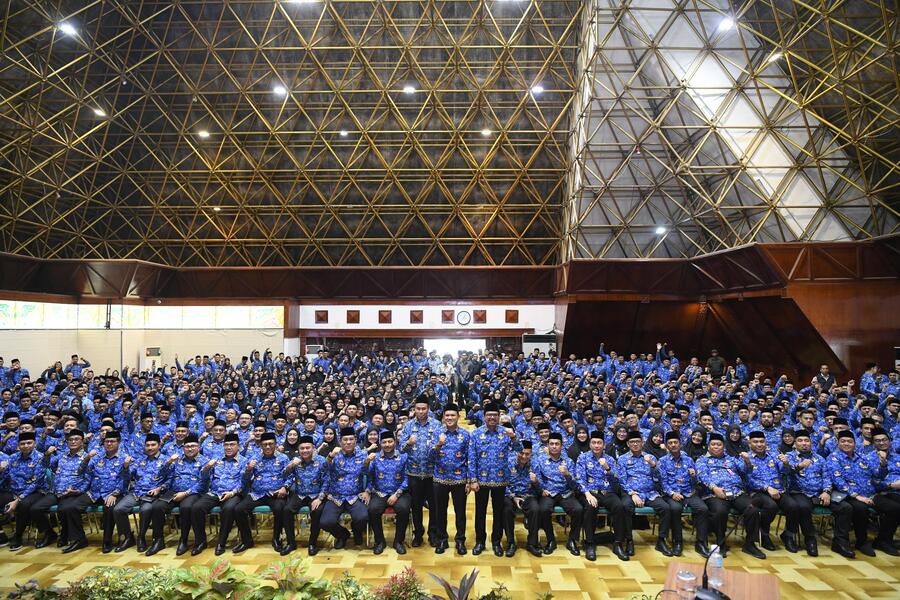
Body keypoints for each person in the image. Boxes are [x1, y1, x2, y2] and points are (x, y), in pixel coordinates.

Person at [695, 432, 765, 559]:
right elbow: (701, 476)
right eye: (713, 444)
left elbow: (745, 471)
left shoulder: (731, 459)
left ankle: (750, 544)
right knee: (720, 511)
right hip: (714, 493)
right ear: (709, 447)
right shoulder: (702, 460)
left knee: (752, 510)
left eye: (719, 444)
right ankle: (720, 542)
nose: (716, 447)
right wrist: (714, 488)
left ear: (724, 447)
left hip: (736, 492)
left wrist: (748, 461)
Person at [467, 402, 521, 557]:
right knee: (480, 512)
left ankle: (496, 542)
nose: (492, 417)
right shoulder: (476, 434)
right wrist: (473, 479)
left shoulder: (506, 432)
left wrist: (514, 437)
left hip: (500, 480)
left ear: (499, 417)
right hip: (481, 481)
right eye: (489, 415)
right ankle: (480, 541)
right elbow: (472, 458)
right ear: (484, 417)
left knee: (498, 512)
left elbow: (519, 450)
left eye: (495, 415)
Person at [827, 430, 888, 556]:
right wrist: (857, 496)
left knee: (892, 508)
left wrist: (883, 464)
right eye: (843, 441)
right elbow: (838, 482)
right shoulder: (833, 458)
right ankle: (858, 541)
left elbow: (877, 476)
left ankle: (884, 541)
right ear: (838, 443)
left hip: (869, 494)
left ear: (855, 444)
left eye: (850, 441)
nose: (846, 444)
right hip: (845, 495)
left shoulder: (862, 458)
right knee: (860, 508)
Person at [783, 430, 843, 556]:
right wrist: (799, 466)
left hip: (819, 493)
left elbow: (827, 477)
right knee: (803, 507)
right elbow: (786, 471)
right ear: (794, 444)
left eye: (807, 441)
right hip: (799, 492)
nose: (804, 443)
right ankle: (810, 539)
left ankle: (841, 542)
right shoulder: (788, 457)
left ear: (811, 443)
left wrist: (826, 491)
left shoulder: (819, 458)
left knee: (845, 507)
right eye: (800, 441)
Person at [192, 432, 248, 556]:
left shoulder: (244, 461)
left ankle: (221, 542)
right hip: (214, 492)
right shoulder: (216, 459)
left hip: (233, 493)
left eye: (232, 445)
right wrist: (206, 468)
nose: (228, 447)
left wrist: (232, 492)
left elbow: (244, 482)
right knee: (196, 508)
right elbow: (205, 479)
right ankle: (200, 541)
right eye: (226, 445)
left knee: (228, 509)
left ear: (238, 446)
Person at [575, 431, 628, 561]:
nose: (596, 445)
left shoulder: (609, 459)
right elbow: (579, 479)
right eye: (594, 442)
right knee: (590, 506)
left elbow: (617, 480)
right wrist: (587, 494)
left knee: (619, 507)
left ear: (604, 445)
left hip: (607, 492)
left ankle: (618, 543)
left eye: (599, 443)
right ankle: (590, 543)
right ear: (590, 444)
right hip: (590, 492)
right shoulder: (583, 458)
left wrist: (608, 468)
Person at [112, 433, 169, 554]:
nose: (150, 447)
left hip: (152, 494)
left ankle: (141, 537)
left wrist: (160, 488)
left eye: (153, 445)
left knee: (146, 510)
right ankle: (128, 537)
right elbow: (127, 477)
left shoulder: (166, 460)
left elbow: (171, 479)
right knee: (118, 509)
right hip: (136, 493)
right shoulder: (140, 460)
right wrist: (126, 467)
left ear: (159, 445)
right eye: (147, 445)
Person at [616, 430, 670, 556]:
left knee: (665, 508)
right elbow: (621, 480)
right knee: (625, 506)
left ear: (642, 443)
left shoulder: (650, 457)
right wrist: (632, 493)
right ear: (628, 444)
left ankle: (661, 541)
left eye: (638, 442)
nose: (635, 444)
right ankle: (629, 540)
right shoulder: (623, 459)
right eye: (632, 442)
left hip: (650, 492)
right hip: (631, 492)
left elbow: (660, 477)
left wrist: (653, 465)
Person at [235, 432, 290, 553]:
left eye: (271, 444)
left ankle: (276, 539)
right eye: (265, 444)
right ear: (261, 445)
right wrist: (248, 469)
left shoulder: (283, 458)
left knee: (280, 508)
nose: (268, 447)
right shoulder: (254, 458)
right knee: (239, 509)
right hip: (257, 494)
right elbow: (244, 479)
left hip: (275, 494)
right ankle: (247, 541)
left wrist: (285, 487)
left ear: (275, 444)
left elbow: (290, 476)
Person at [657, 430, 710, 557]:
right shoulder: (662, 461)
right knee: (675, 509)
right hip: (672, 494)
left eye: (676, 442)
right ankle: (678, 542)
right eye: (670, 443)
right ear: (667, 445)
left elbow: (696, 481)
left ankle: (701, 543)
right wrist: (671, 493)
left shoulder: (689, 460)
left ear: (680, 444)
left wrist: (694, 476)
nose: (673, 445)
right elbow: (662, 483)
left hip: (689, 493)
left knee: (703, 509)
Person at [38, 429, 91, 553]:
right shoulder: (62, 455)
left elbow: (89, 479)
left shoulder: (87, 458)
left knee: (65, 508)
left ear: (82, 441)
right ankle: (50, 533)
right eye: (70, 440)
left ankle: (76, 538)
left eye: (76, 439)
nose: (73, 442)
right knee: (36, 508)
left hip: (73, 492)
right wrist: (47, 454)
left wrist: (78, 491)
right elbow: (45, 465)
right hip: (56, 491)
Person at [398, 395, 440, 547]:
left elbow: (440, 448)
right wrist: (408, 443)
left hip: (432, 473)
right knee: (416, 506)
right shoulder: (408, 426)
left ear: (428, 409)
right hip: (414, 473)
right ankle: (418, 534)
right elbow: (401, 449)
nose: (421, 411)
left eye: (424, 409)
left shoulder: (436, 425)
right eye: (418, 409)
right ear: (414, 409)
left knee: (434, 506)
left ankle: (433, 534)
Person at [532, 432, 582, 556]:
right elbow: (537, 479)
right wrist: (542, 489)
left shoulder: (568, 462)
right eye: (551, 444)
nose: (554, 446)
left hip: (566, 493)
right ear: (548, 445)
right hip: (548, 493)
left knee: (578, 509)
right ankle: (550, 540)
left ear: (561, 446)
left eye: (557, 444)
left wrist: (567, 475)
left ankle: (572, 540)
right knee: (543, 509)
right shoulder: (540, 460)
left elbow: (575, 485)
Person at [320, 427, 370, 549]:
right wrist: (330, 456)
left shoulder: (363, 455)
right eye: (345, 440)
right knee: (325, 522)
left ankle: (357, 531)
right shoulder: (334, 454)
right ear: (340, 441)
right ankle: (343, 535)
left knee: (363, 517)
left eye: (351, 439)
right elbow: (323, 470)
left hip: (355, 495)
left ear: (355, 440)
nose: (348, 442)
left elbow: (370, 474)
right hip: (336, 496)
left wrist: (368, 490)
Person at [431, 404, 470, 555]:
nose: (449, 418)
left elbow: (470, 458)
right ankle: (442, 540)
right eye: (447, 415)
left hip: (460, 479)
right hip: (440, 479)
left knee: (460, 513)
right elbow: (430, 457)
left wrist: (469, 479)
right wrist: (439, 444)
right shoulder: (436, 433)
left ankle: (460, 540)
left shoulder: (465, 435)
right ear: (443, 417)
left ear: (458, 417)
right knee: (440, 512)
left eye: (453, 415)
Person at [83, 429, 130, 553]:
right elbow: (87, 474)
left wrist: (115, 493)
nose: (109, 444)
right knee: (70, 506)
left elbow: (126, 480)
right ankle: (77, 539)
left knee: (109, 508)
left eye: (112, 441)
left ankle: (107, 541)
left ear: (118, 443)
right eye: (107, 441)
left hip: (114, 493)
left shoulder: (125, 458)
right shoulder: (96, 457)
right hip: (94, 493)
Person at [2, 431, 50, 551]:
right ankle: (1, 534)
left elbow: (36, 483)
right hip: (14, 490)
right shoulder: (13, 457)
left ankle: (17, 536)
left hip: (36, 491)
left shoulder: (40, 458)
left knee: (24, 504)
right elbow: (5, 476)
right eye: (22, 443)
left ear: (34, 444)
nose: (26, 446)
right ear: (18, 445)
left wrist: (17, 500)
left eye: (29, 443)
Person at [745, 430, 792, 552]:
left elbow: (785, 472)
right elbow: (748, 480)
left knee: (793, 506)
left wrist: (786, 463)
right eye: (755, 442)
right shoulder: (746, 457)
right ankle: (764, 533)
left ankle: (788, 535)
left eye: (762, 441)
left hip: (777, 490)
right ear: (750, 444)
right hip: (757, 492)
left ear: (766, 443)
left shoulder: (773, 455)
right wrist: (767, 488)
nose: (759, 444)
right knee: (771, 507)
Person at [281, 435, 328, 556]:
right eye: (302, 448)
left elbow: (327, 481)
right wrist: (290, 466)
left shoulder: (321, 461)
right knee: (286, 511)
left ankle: (312, 543)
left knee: (317, 512)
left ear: (313, 448)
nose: (305, 451)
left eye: (308, 448)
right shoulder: (296, 461)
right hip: (300, 494)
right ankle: (291, 543)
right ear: (298, 449)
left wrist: (320, 498)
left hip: (316, 494)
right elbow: (285, 476)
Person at [366, 430, 410, 554]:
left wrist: (397, 494)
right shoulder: (374, 458)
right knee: (372, 510)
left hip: (399, 493)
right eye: (384, 442)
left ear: (395, 442)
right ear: (380, 444)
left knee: (403, 509)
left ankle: (398, 541)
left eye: (390, 441)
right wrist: (368, 491)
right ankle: (380, 541)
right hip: (380, 493)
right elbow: (369, 477)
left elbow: (407, 478)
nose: (387, 444)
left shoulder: (403, 457)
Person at [165, 432, 209, 556]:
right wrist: (168, 463)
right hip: (174, 491)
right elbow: (164, 475)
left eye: (193, 446)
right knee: (157, 507)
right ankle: (157, 541)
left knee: (186, 507)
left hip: (194, 492)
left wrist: (185, 493)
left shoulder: (204, 461)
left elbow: (203, 483)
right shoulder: (176, 460)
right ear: (183, 448)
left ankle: (183, 540)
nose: (189, 449)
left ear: (198, 447)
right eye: (187, 446)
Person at [503, 440, 537, 557]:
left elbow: (540, 487)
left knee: (535, 509)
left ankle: (532, 543)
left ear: (531, 454)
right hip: (510, 495)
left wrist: (536, 482)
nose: (523, 456)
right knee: (506, 509)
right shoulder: (508, 463)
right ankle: (511, 542)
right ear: (517, 452)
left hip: (527, 495)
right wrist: (513, 497)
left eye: (527, 454)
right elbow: (502, 484)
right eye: (521, 453)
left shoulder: (535, 465)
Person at [872, 427, 899, 555]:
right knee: (894, 508)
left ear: (889, 441)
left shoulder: (897, 457)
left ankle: (885, 539)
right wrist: (890, 485)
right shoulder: (868, 458)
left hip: (896, 492)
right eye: (878, 441)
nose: (881, 443)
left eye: (884, 440)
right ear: (873, 443)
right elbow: (872, 481)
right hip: (878, 493)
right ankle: (882, 540)